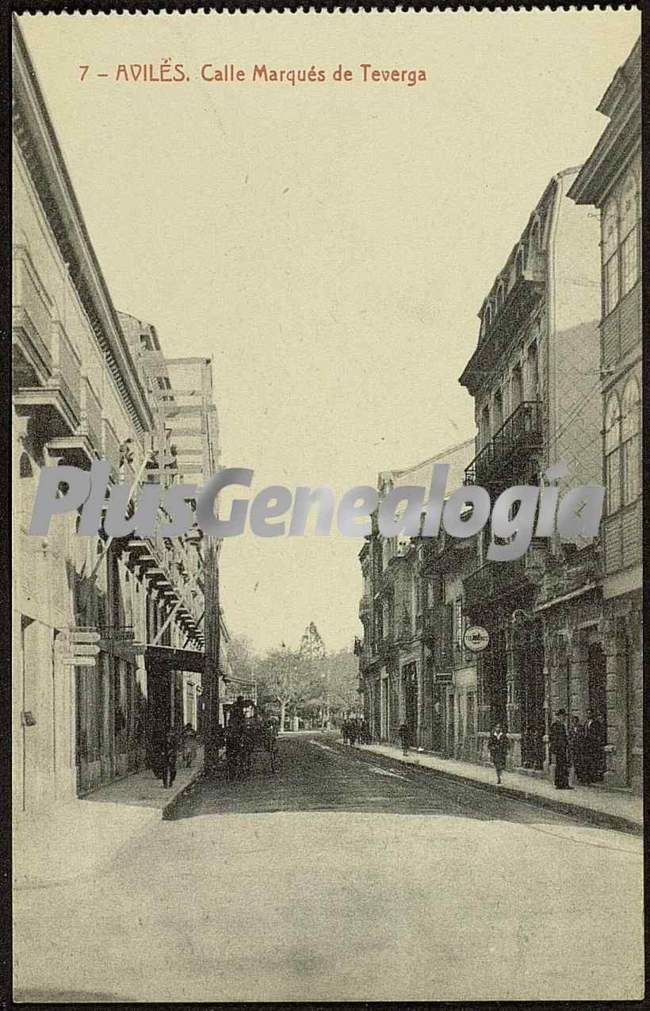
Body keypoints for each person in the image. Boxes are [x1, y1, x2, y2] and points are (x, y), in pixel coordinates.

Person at [549, 709, 572, 790]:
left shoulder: (561, 725)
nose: (565, 718)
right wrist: (558, 747)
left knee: (562, 766)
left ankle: (562, 783)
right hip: (560, 749)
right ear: (559, 716)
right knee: (561, 766)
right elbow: (553, 738)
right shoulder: (556, 725)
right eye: (563, 716)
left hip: (562, 748)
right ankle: (561, 784)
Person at [568, 715, 587, 785]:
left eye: (575, 721)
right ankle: (575, 778)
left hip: (579, 748)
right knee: (574, 763)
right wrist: (571, 743)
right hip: (573, 749)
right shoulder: (571, 729)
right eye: (573, 721)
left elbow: (583, 737)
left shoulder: (581, 728)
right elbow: (569, 738)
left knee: (580, 763)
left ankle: (580, 778)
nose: (574, 723)